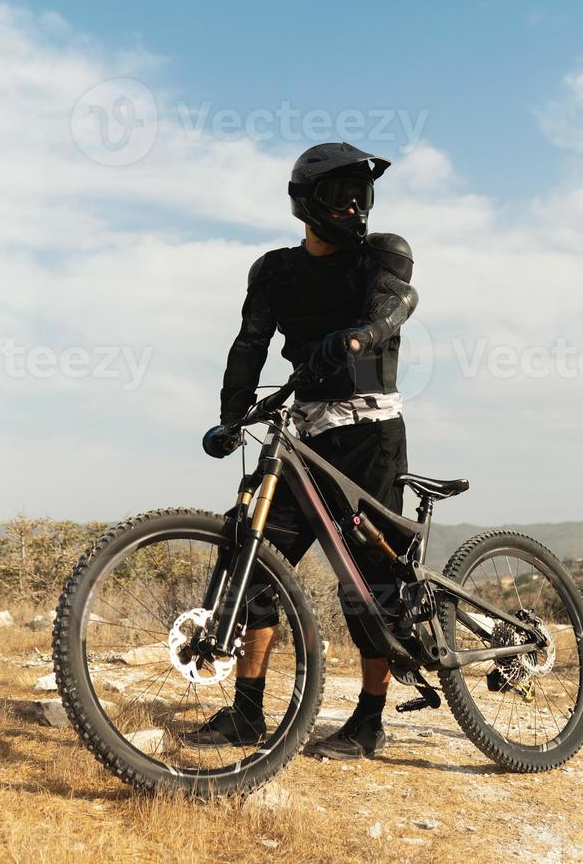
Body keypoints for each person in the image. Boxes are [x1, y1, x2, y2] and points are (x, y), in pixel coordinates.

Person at [200, 141, 418, 759]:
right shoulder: (274, 271)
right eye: (339, 194)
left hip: (370, 431)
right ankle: (245, 714)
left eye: (361, 194)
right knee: (254, 554)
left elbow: (397, 301)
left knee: (369, 582)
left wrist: (361, 335)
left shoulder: (384, 253)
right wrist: (230, 419)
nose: (353, 206)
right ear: (306, 202)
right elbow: (249, 344)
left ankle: (370, 722)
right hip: (306, 434)